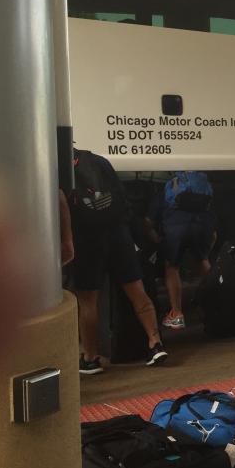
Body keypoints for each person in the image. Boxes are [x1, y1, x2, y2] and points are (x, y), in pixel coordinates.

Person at [69, 149, 168, 374]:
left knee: (88, 301)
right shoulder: (98, 161)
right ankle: (155, 343)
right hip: (118, 234)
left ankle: (91, 358)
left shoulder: (61, 167)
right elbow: (122, 199)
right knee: (138, 291)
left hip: (86, 240)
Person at [157, 171, 217, 329]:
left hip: (176, 226)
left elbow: (155, 214)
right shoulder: (202, 180)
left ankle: (176, 314)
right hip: (201, 225)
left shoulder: (173, 182)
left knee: (172, 267)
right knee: (203, 261)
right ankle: (215, 307)